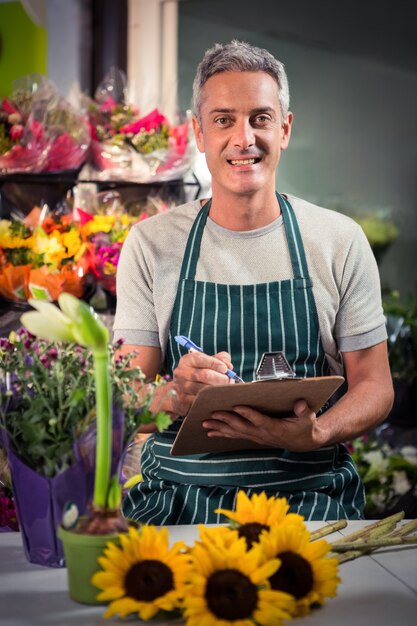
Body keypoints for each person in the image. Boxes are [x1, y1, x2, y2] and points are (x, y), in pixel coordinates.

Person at [114, 40, 394, 523]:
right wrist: (173, 397)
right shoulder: (151, 244)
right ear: (199, 132)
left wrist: (320, 431)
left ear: (284, 129)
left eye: (260, 118)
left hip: (309, 503)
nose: (244, 139)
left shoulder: (338, 240)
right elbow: (125, 391)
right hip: (180, 502)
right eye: (223, 119)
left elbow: (375, 385)